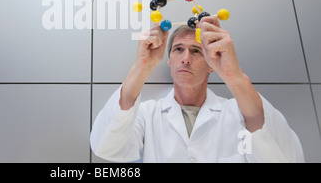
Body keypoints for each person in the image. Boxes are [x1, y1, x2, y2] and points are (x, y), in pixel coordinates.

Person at [90, 16, 304, 162]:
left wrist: (235, 76)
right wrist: (141, 67)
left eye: (196, 51)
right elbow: (105, 147)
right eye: (178, 50)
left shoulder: (237, 113)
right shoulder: (148, 114)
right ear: (169, 60)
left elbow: (286, 158)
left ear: (212, 63)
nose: (185, 59)